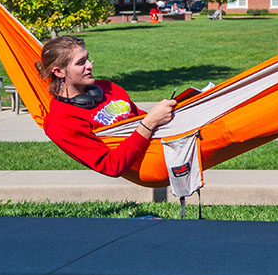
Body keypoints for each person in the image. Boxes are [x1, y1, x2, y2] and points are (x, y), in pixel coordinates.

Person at [37, 35, 177, 177]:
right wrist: (150, 122)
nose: (90, 65)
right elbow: (111, 166)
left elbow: (138, 118)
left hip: (164, 147)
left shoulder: (107, 88)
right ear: (59, 72)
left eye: (87, 58)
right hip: (145, 166)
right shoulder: (60, 122)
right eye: (81, 63)